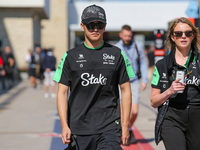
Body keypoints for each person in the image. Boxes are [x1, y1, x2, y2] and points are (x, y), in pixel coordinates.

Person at [53, 4, 135, 149]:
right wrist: (64, 125)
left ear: (105, 27)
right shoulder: (70, 56)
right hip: (79, 128)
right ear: (82, 26)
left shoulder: (117, 54)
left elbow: (126, 89)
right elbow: (62, 92)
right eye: (91, 25)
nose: (95, 29)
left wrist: (124, 125)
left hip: (109, 126)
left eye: (99, 24)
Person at [151, 17, 200, 150]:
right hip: (172, 118)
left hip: (197, 117)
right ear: (172, 37)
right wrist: (169, 91)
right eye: (178, 33)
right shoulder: (161, 65)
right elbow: (153, 102)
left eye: (188, 33)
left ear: (193, 36)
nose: (183, 36)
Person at [115, 25, 148, 144]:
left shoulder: (137, 46)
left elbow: (143, 63)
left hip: (134, 82)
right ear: (120, 35)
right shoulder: (116, 48)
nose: (127, 38)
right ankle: (123, 132)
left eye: (129, 35)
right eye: (125, 35)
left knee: (134, 111)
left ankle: (127, 128)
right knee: (123, 111)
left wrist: (144, 80)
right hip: (120, 83)